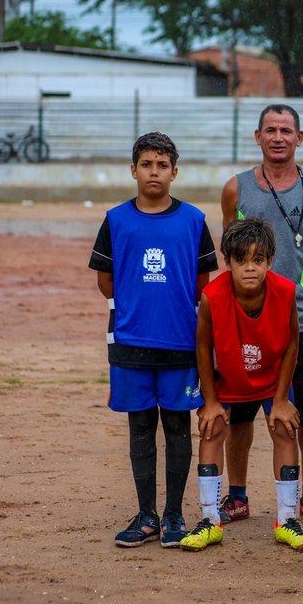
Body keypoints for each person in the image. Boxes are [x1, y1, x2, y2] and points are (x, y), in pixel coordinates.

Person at [89, 132, 218, 548]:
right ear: (133, 170)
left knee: (178, 428)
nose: (154, 172)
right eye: (147, 164)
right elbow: (106, 283)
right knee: (140, 428)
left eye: (162, 165)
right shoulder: (115, 219)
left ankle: (174, 516)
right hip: (131, 342)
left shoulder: (194, 220)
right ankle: (146, 514)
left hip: (181, 344)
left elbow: (202, 284)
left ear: (174, 172)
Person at [220, 104, 303, 530]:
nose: (277, 137)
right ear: (257, 137)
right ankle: (236, 495)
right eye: (269, 130)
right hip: (243, 320)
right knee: (240, 414)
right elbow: (229, 252)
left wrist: (295, 297)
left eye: (286, 130)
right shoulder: (235, 189)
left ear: (299, 138)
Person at [180, 219, 303, 552]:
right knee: (211, 428)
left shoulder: (286, 293)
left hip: (272, 379)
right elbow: (202, 348)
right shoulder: (213, 296)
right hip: (228, 378)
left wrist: (282, 398)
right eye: (242, 261)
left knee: (285, 428)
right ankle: (210, 520)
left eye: (258, 260)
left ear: (270, 261)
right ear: (229, 263)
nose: (250, 268)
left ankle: (286, 519)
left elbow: (291, 345)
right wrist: (210, 401)